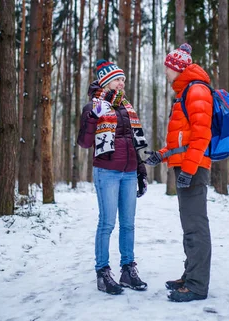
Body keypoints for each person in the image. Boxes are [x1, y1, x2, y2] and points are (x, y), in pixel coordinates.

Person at [144, 43, 213, 302]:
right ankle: (190, 276)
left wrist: (189, 168)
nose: (165, 72)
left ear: (178, 68)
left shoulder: (196, 91)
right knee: (189, 228)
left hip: (192, 168)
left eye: (168, 67)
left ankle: (197, 286)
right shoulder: (186, 92)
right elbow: (181, 139)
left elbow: (201, 134)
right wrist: (161, 154)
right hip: (185, 165)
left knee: (196, 227)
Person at [77, 59, 149, 295]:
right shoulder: (95, 106)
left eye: (123, 80)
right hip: (107, 171)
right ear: (107, 82)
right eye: (118, 79)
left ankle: (128, 270)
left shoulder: (127, 107)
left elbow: (134, 140)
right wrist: (91, 116)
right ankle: (102, 272)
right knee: (107, 223)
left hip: (128, 173)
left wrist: (141, 170)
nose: (122, 84)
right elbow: (84, 143)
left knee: (128, 224)